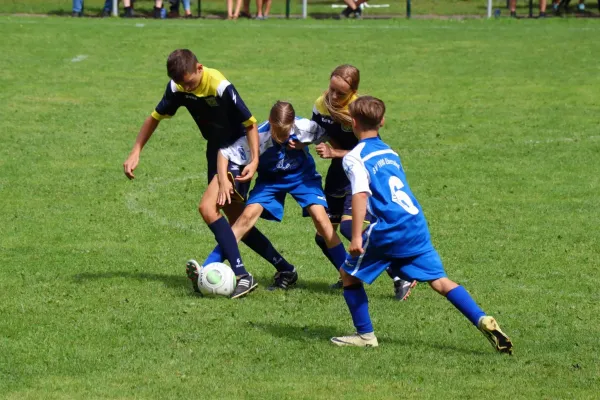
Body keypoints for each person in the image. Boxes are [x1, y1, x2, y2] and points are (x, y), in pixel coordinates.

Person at [329, 96, 513, 355]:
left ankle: (365, 335)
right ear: (382, 121)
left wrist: (356, 236)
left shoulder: (355, 157)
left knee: (348, 274)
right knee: (440, 282)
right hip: (415, 224)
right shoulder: (390, 152)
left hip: (390, 228)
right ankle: (481, 318)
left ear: (354, 122)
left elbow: (360, 194)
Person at [123, 49, 291, 299]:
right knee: (235, 222)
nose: (186, 88)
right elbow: (154, 117)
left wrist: (254, 160)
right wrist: (136, 150)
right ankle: (285, 269)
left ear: (199, 68)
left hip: (237, 150)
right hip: (215, 149)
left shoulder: (220, 86)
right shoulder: (178, 86)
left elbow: (250, 124)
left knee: (207, 208)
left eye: (189, 82)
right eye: (182, 84)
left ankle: (242, 275)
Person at [193, 101, 349, 292]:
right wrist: (224, 181)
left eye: (285, 133)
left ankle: (348, 275)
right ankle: (206, 268)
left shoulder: (305, 127)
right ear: (270, 122)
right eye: (278, 133)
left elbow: (329, 137)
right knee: (245, 218)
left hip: (303, 178)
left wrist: (316, 147)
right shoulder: (259, 136)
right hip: (270, 181)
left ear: (293, 123)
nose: (282, 137)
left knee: (322, 220)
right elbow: (225, 152)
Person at [310, 64, 416, 301]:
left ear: (353, 92)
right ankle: (347, 274)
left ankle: (401, 275)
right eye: (332, 90)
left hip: (359, 174)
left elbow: (368, 150)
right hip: (338, 175)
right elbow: (317, 132)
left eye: (341, 94)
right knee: (323, 236)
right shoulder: (321, 104)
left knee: (349, 228)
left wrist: (334, 153)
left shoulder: (359, 110)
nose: (334, 97)